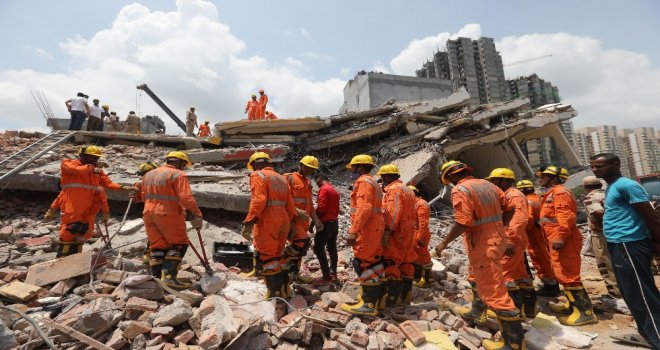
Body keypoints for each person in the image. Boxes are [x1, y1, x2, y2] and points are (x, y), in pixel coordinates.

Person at [435, 160, 525, 350]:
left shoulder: (461, 190)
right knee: (477, 275)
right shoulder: (488, 185)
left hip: (484, 243)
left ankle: (514, 343)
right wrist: (499, 226)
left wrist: (443, 243)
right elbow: (509, 208)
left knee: (495, 290)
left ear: (450, 176)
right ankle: (478, 311)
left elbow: (463, 222)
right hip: (495, 239)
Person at [590, 153, 660, 349]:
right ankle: (647, 332)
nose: (596, 170)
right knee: (631, 293)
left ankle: (657, 337)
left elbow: (651, 217)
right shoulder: (612, 187)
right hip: (619, 245)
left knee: (642, 294)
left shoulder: (625, 185)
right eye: (593, 167)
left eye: (600, 166)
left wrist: (657, 243)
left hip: (630, 244)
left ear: (616, 164)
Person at [44, 146, 134, 257]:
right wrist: (52, 209)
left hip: (88, 205)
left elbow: (108, 183)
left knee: (84, 230)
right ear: (83, 155)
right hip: (72, 203)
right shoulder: (68, 163)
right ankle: (61, 256)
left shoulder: (96, 170)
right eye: (92, 157)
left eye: (96, 158)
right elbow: (76, 170)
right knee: (70, 228)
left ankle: (76, 257)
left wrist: (123, 188)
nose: (95, 160)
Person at [538, 166, 597, 326]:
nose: (540, 178)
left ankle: (585, 312)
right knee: (562, 273)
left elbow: (566, 217)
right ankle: (573, 306)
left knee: (569, 274)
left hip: (564, 240)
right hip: (557, 239)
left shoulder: (560, 193)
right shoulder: (552, 193)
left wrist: (560, 236)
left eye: (545, 175)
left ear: (555, 177)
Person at [136, 151, 203, 290]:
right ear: (179, 162)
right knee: (179, 243)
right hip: (168, 213)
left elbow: (142, 197)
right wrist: (196, 214)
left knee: (158, 245)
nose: (183, 167)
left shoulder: (149, 174)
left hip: (148, 213)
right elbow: (185, 197)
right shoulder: (178, 174)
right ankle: (169, 278)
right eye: (183, 164)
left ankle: (156, 278)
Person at [242, 152, 297, 299]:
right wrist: (291, 225)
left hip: (268, 219)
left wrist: (249, 221)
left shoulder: (258, 175)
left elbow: (259, 200)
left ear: (254, 164)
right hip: (283, 219)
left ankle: (275, 294)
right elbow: (290, 204)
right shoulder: (281, 178)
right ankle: (286, 290)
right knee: (279, 256)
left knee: (267, 257)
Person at [487, 168, 536, 318]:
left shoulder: (513, 195)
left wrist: (508, 241)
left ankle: (512, 311)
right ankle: (528, 310)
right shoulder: (507, 195)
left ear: (505, 180)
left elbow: (518, 221)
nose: (492, 184)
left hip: (512, 241)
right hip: (515, 240)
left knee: (505, 275)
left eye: (494, 181)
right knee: (520, 275)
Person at [340, 154, 385, 316]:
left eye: (353, 168)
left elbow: (364, 208)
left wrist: (353, 231)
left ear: (359, 167)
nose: (351, 171)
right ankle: (377, 300)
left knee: (363, 262)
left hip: (367, 228)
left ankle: (368, 304)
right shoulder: (374, 182)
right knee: (374, 262)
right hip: (374, 227)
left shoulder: (364, 182)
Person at [377, 164, 417, 307]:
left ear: (387, 177)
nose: (382, 181)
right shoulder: (407, 190)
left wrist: (387, 232)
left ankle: (391, 300)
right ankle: (405, 296)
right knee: (405, 262)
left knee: (390, 262)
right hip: (407, 232)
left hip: (396, 232)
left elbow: (393, 213)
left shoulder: (394, 190)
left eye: (382, 178)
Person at [516, 180, 559, 297]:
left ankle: (550, 285)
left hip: (534, 234)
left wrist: (520, 230)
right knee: (546, 256)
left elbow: (529, 219)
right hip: (543, 231)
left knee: (539, 257)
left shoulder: (527, 201)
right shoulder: (539, 198)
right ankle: (552, 281)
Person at [283, 156, 323, 282]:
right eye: (308, 167)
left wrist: (316, 220)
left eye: (312, 169)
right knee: (300, 244)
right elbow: (284, 200)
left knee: (301, 247)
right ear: (300, 165)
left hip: (303, 222)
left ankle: (293, 275)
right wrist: (293, 219)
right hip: (292, 219)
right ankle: (277, 268)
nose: (310, 171)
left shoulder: (307, 183)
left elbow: (310, 204)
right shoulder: (288, 178)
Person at [582, 175, 621, 297]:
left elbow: (598, 212)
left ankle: (615, 293)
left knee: (606, 263)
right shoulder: (608, 193)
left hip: (601, 235)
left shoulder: (591, 197)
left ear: (586, 187)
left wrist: (605, 224)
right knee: (618, 262)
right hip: (617, 232)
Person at [130, 162, 159, 267]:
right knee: (156, 236)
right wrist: (133, 195)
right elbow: (136, 201)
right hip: (155, 212)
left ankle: (150, 256)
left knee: (154, 235)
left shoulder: (144, 184)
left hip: (150, 211)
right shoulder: (141, 185)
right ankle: (153, 257)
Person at [313, 174, 340, 283]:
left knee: (318, 248)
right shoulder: (334, 191)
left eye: (316, 181)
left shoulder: (324, 189)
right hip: (334, 222)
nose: (316, 184)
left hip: (326, 224)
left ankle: (326, 276)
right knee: (332, 248)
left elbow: (321, 207)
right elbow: (337, 208)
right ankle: (333, 272)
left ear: (320, 179)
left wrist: (315, 221)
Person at [409, 185, 432, 288]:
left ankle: (426, 280)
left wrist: (421, 237)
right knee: (415, 255)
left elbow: (423, 222)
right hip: (415, 232)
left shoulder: (421, 204)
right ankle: (417, 277)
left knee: (422, 255)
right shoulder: (413, 204)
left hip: (420, 232)